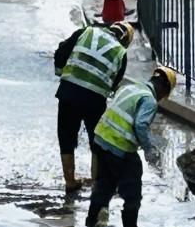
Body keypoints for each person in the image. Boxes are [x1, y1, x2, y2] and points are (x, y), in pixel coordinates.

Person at [85, 66, 177, 227]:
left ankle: (91, 219)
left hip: (101, 139)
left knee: (105, 182)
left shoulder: (131, 87)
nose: (161, 99)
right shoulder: (149, 100)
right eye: (164, 96)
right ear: (163, 89)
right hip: (119, 146)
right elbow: (140, 125)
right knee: (133, 187)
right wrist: (149, 150)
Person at [54, 21, 135, 193]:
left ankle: (70, 180)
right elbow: (114, 83)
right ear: (126, 41)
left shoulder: (86, 32)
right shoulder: (121, 53)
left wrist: (61, 72)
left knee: (66, 135)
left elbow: (62, 50)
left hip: (68, 91)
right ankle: (96, 184)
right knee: (97, 141)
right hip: (94, 99)